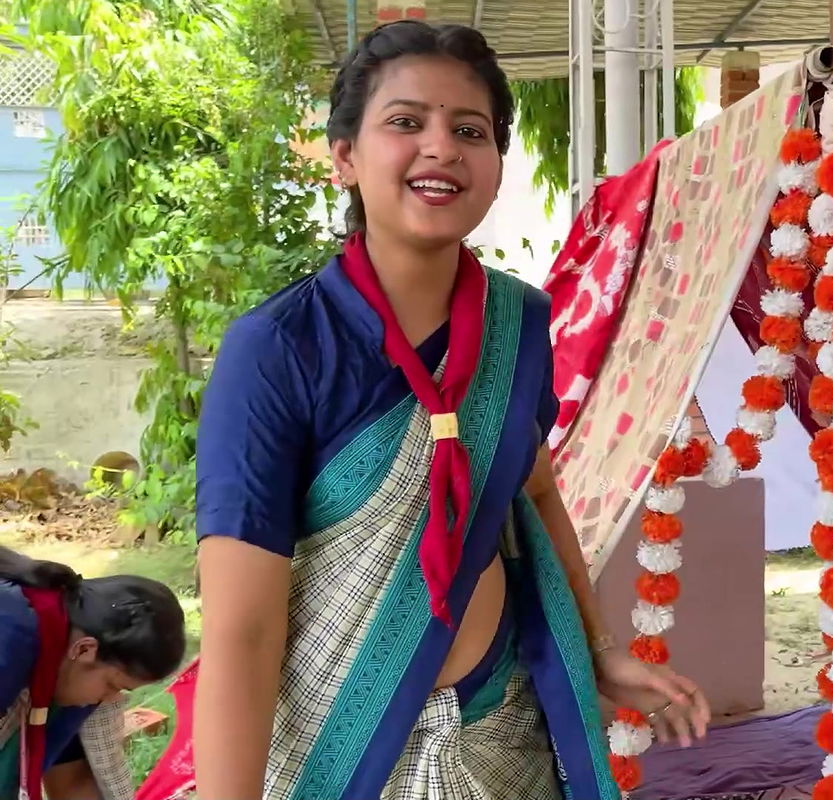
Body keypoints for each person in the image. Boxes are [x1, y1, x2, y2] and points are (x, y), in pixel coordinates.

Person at [192, 21, 709, 800]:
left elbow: (531, 489)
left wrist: (603, 650)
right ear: (344, 157)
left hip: (504, 731)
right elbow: (244, 631)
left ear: (496, 165)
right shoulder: (278, 348)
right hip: (342, 745)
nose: (441, 147)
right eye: (405, 122)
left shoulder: (519, 324)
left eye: (470, 130)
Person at [0, 546, 186, 800]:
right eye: (113, 685)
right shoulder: (10, 640)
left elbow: (72, 780)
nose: (111, 699)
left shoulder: (67, 670)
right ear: (85, 648)